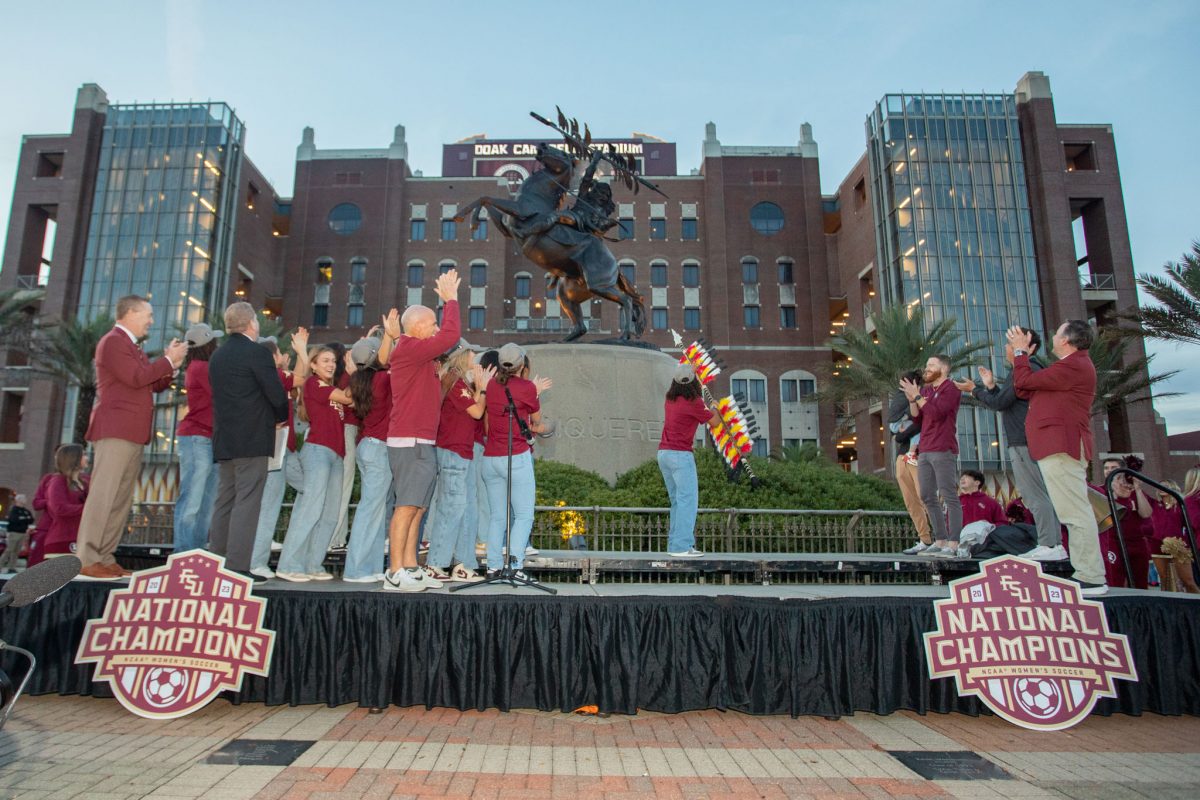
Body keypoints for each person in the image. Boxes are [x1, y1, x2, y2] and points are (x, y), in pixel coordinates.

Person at [76, 295, 187, 580]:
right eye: (147, 314)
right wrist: (165, 360)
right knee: (105, 495)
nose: (151, 320)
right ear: (130, 313)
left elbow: (154, 382)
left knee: (121, 499)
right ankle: (88, 558)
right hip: (115, 429)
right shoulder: (113, 342)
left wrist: (171, 365)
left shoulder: (132, 347)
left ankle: (105, 556)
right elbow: (137, 378)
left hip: (132, 432)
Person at [1009, 320, 1107, 596]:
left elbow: (1024, 381)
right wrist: (1022, 359)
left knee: (1074, 512)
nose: (1053, 335)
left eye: (1057, 332)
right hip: (1057, 446)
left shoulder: (1074, 365)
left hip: (1062, 446)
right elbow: (1024, 388)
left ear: (1066, 340)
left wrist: (1019, 353)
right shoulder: (1068, 367)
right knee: (1071, 512)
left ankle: (1091, 576)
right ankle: (1087, 573)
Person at [380, 269, 463, 592]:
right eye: (432, 323)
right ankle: (394, 570)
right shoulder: (413, 348)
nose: (437, 328)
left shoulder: (417, 355)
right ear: (416, 329)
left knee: (418, 506)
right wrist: (451, 300)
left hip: (421, 441)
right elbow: (451, 336)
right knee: (406, 506)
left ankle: (411, 566)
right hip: (410, 441)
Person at [954, 327, 1065, 561]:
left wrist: (976, 390)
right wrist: (990, 387)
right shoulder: (1024, 372)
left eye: (1014, 342)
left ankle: (1050, 544)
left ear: (1030, 347)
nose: (1008, 348)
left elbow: (1001, 403)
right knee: (1037, 493)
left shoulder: (1028, 369)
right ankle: (1053, 543)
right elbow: (1004, 400)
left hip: (1024, 441)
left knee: (1035, 494)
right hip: (1026, 440)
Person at [207, 302, 290, 581]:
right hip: (252, 438)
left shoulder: (217, 356)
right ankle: (237, 569)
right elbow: (276, 394)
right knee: (248, 501)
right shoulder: (257, 353)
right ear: (252, 323)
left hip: (225, 440)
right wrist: (280, 416)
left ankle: (216, 562)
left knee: (224, 500)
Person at [275, 344, 354, 582]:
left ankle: (312, 564)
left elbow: (351, 402)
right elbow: (347, 398)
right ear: (313, 365)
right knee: (309, 509)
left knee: (330, 514)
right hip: (318, 452)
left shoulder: (331, 387)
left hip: (336, 455)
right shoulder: (313, 384)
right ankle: (288, 564)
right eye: (325, 361)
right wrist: (352, 372)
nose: (331, 365)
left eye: (333, 361)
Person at [480, 343, 551, 577]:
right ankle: (515, 565)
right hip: (516, 456)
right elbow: (537, 421)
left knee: (497, 516)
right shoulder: (527, 387)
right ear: (522, 364)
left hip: (490, 457)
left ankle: (493, 566)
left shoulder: (490, 386)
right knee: (523, 515)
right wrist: (547, 427)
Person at [425, 348, 492, 583]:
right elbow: (476, 411)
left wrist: (480, 390)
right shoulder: (455, 382)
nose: (479, 367)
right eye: (475, 361)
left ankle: (461, 564)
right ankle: (436, 563)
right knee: (451, 508)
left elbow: (475, 409)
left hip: (460, 451)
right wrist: (482, 388)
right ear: (463, 360)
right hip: (453, 451)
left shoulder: (459, 383)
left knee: (463, 509)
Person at [249, 332, 309, 579]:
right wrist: (302, 351)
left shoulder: (268, 376)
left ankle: (266, 553)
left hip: (284, 449)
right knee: (269, 506)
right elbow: (301, 378)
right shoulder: (274, 375)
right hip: (277, 448)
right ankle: (256, 561)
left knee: (309, 489)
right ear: (272, 357)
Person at [342, 324, 399, 583]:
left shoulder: (359, 380)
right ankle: (356, 569)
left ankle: (372, 566)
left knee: (375, 508)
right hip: (379, 448)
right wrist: (388, 337)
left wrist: (367, 343)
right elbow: (390, 361)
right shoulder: (383, 379)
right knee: (371, 509)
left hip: (368, 445)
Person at [900, 355, 962, 558]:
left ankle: (953, 544)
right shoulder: (927, 391)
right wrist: (912, 400)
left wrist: (918, 397)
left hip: (943, 448)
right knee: (926, 494)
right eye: (926, 365)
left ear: (943, 369)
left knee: (948, 494)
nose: (926, 369)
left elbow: (937, 413)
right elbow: (917, 418)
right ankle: (940, 539)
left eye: (931, 365)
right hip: (925, 449)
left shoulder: (950, 389)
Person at [657, 363, 720, 558]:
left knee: (677, 501)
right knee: (688, 501)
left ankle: (675, 546)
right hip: (681, 455)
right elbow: (715, 422)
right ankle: (682, 547)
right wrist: (715, 407)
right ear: (694, 382)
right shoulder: (695, 402)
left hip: (664, 454)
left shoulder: (670, 399)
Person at [172, 322, 224, 554]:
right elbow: (223, 394)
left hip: (206, 437)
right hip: (197, 437)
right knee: (194, 497)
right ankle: (184, 551)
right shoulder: (202, 368)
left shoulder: (197, 366)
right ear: (209, 344)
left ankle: (195, 550)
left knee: (204, 500)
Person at [888, 369, 931, 555]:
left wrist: (902, 434)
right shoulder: (900, 399)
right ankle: (925, 539)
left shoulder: (925, 396)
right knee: (910, 500)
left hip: (920, 454)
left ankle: (942, 537)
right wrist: (901, 436)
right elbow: (894, 426)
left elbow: (923, 421)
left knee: (925, 497)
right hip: (903, 455)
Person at [1095, 456, 1153, 589]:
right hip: (1113, 542)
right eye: (1106, 468)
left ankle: (1141, 609)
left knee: (1140, 584)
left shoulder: (1132, 489)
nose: (1109, 471)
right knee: (1115, 581)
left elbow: (1146, 513)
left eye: (1113, 468)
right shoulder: (1100, 491)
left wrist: (1137, 489)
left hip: (1136, 542)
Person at [40, 445, 90, 566]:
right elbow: (59, 508)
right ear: (74, 458)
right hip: (61, 541)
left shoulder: (85, 482)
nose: (87, 458)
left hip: (81, 541)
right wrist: (88, 509)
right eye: (83, 455)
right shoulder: (58, 481)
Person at [1, 494, 34, 571]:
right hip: (13, 533)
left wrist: (23, 519)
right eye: (24, 498)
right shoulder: (14, 510)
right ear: (18, 500)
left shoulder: (26, 511)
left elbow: (31, 520)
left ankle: (11, 567)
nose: (26, 500)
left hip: (23, 533)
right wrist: (25, 519)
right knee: (9, 550)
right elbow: (14, 520)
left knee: (16, 552)